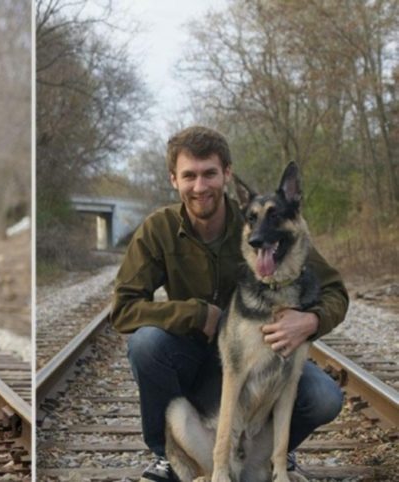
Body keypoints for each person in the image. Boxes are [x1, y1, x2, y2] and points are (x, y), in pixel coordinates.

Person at [110, 126, 348, 482]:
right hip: (192, 357)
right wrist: (196, 314)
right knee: (146, 344)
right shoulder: (158, 230)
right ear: (174, 180)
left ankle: (274, 458)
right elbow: (124, 308)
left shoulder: (260, 222)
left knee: (324, 397)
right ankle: (167, 455)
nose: (200, 186)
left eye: (209, 173)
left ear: (227, 174)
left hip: (258, 353)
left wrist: (311, 321)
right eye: (189, 175)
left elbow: (335, 292)